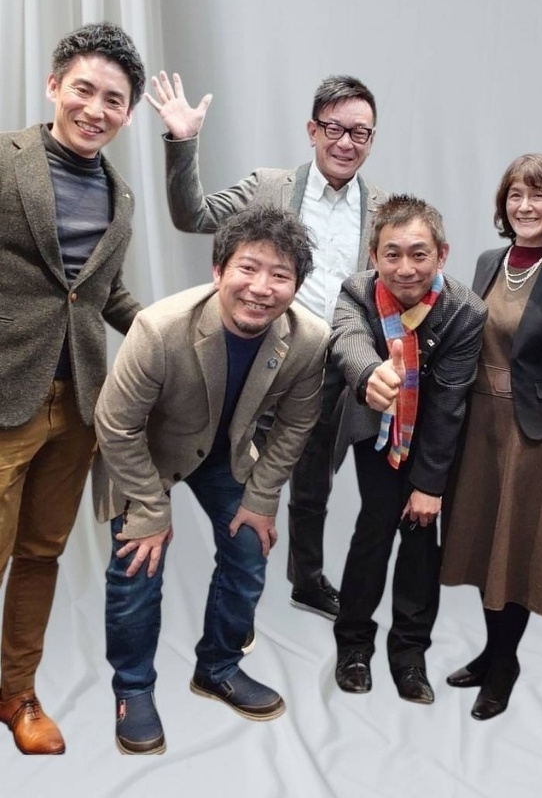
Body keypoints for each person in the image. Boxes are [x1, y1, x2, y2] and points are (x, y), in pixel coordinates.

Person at [147, 71, 386, 622]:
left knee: (313, 482)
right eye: (334, 128)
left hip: (332, 368)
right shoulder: (269, 186)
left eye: (360, 133)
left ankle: (307, 580)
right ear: (312, 129)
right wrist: (183, 141)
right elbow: (192, 215)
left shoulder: (381, 208)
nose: (346, 142)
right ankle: (237, 604)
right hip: (259, 356)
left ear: (371, 139)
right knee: (236, 474)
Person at [93, 205, 330, 755]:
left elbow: (296, 424)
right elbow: (116, 424)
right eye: (248, 268)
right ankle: (133, 690)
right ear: (218, 269)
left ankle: (218, 667)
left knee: (249, 547)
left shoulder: (309, 339)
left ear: (296, 286)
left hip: (225, 452)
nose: (261, 288)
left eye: (280, 275)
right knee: (138, 564)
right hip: (144, 455)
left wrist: (262, 498)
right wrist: (151, 509)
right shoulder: (160, 328)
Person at [0, 22, 145, 756]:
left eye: (113, 99)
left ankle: (17, 693)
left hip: (80, 404)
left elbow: (102, 294)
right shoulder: (6, 160)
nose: (96, 108)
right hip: (4, 396)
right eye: (84, 89)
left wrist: (167, 332)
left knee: (40, 554)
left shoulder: (122, 195)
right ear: (54, 85)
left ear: (127, 113)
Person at [440, 154, 542, 720]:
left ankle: (505, 665)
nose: (525, 207)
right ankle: (490, 652)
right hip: (477, 423)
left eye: (537, 196)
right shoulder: (490, 260)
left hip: (530, 430)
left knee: (515, 547)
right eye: (515, 196)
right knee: (484, 543)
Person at [330, 194, 486, 705]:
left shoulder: (465, 310)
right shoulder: (356, 291)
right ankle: (353, 647)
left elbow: (450, 402)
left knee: (421, 537)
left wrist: (429, 485)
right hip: (376, 429)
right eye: (391, 254)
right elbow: (348, 340)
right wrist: (370, 374)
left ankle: (410, 657)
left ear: (442, 254)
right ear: (373, 256)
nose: (405, 268)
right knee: (374, 530)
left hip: (434, 435)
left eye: (419, 254)